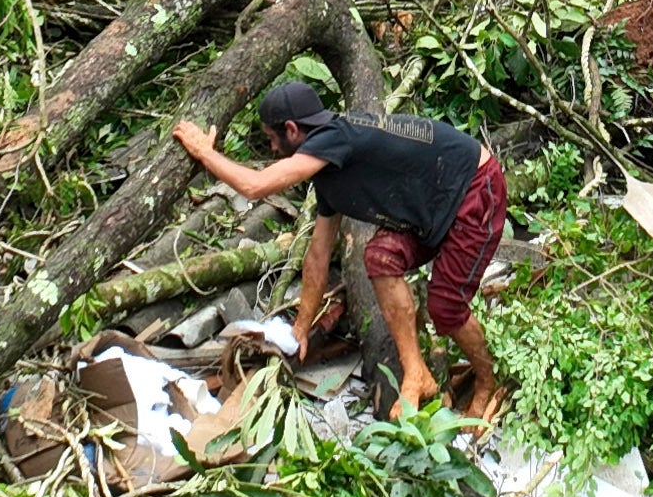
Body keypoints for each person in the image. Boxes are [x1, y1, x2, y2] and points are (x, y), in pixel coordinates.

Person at [170, 75, 510, 419]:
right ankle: (416, 374)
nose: (273, 150)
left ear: (292, 129)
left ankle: (486, 382)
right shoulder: (329, 174)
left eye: (273, 140)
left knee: (446, 306)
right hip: (430, 204)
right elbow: (317, 256)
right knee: (380, 256)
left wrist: (204, 153)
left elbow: (255, 186)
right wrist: (300, 329)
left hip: (473, 187)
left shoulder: (336, 137)